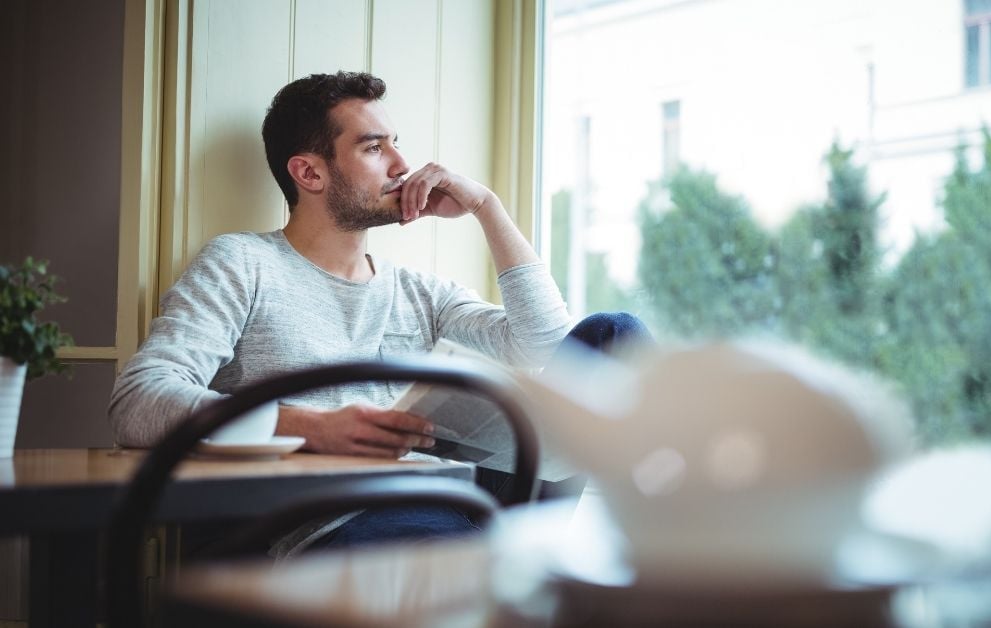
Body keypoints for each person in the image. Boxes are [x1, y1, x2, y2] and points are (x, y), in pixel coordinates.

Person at [108, 71, 649, 554]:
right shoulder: (243, 262)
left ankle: (624, 543)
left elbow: (547, 348)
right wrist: (311, 428)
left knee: (617, 334)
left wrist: (487, 208)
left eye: (397, 144)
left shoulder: (421, 292)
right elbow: (139, 400)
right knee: (477, 574)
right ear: (310, 173)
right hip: (339, 520)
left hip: (469, 503)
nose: (401, 165)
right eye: (374, 148)